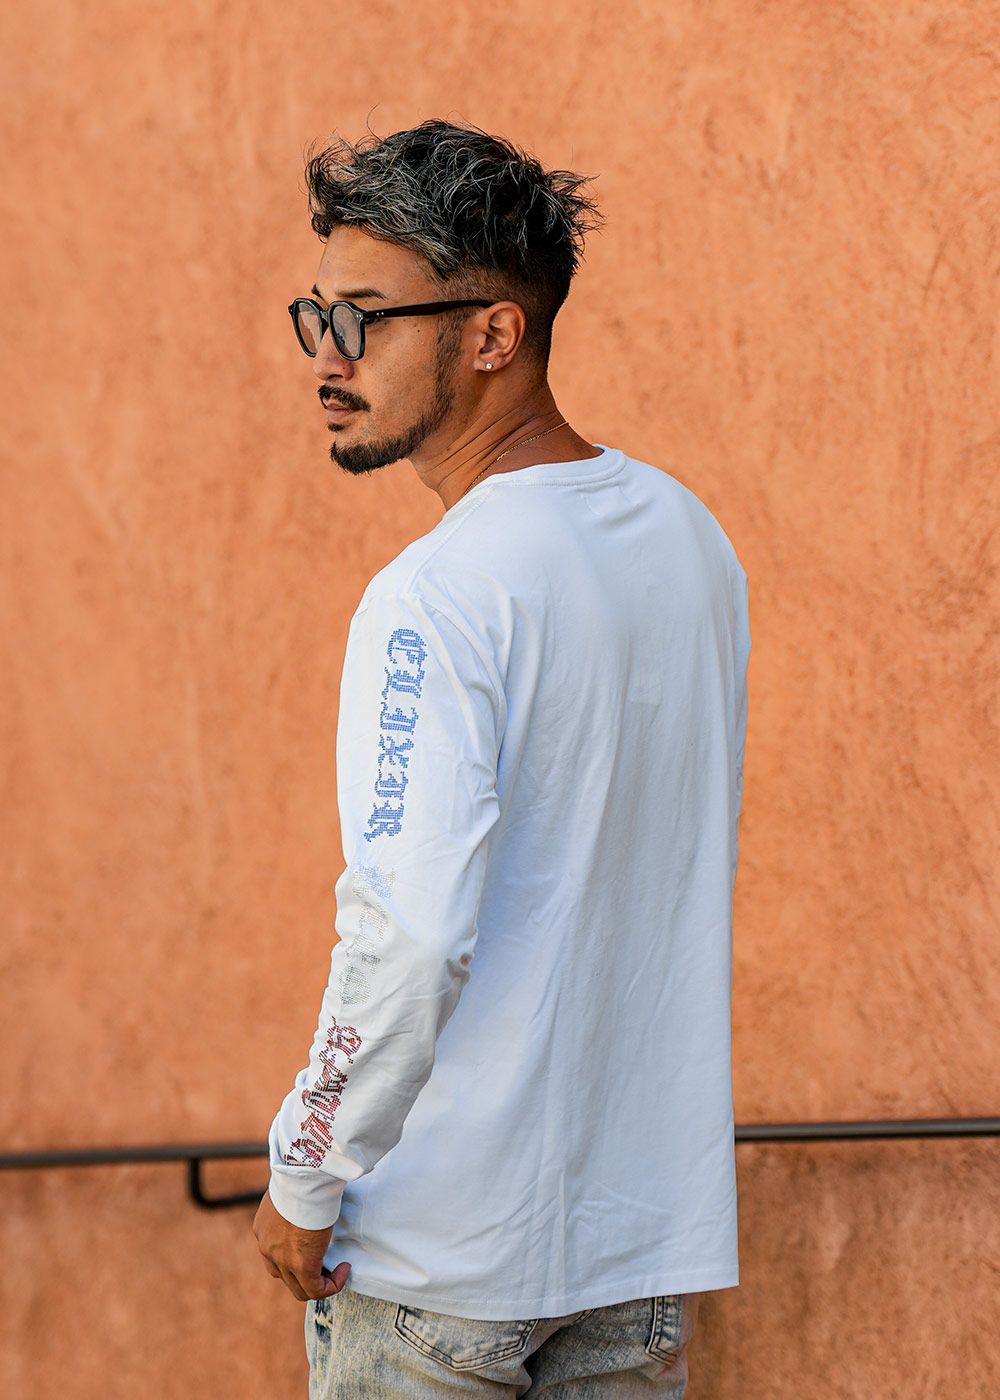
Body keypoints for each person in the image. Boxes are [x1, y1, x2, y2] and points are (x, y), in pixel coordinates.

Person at [252, 117, 751, 1398]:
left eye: (365, 319)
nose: (327, 354)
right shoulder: (687, 538)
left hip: (439, 1259)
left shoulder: (437, 592)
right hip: (635, 1249)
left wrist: (306, 1166)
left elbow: (411, 931)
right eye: (317, 314)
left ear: (492, 334)